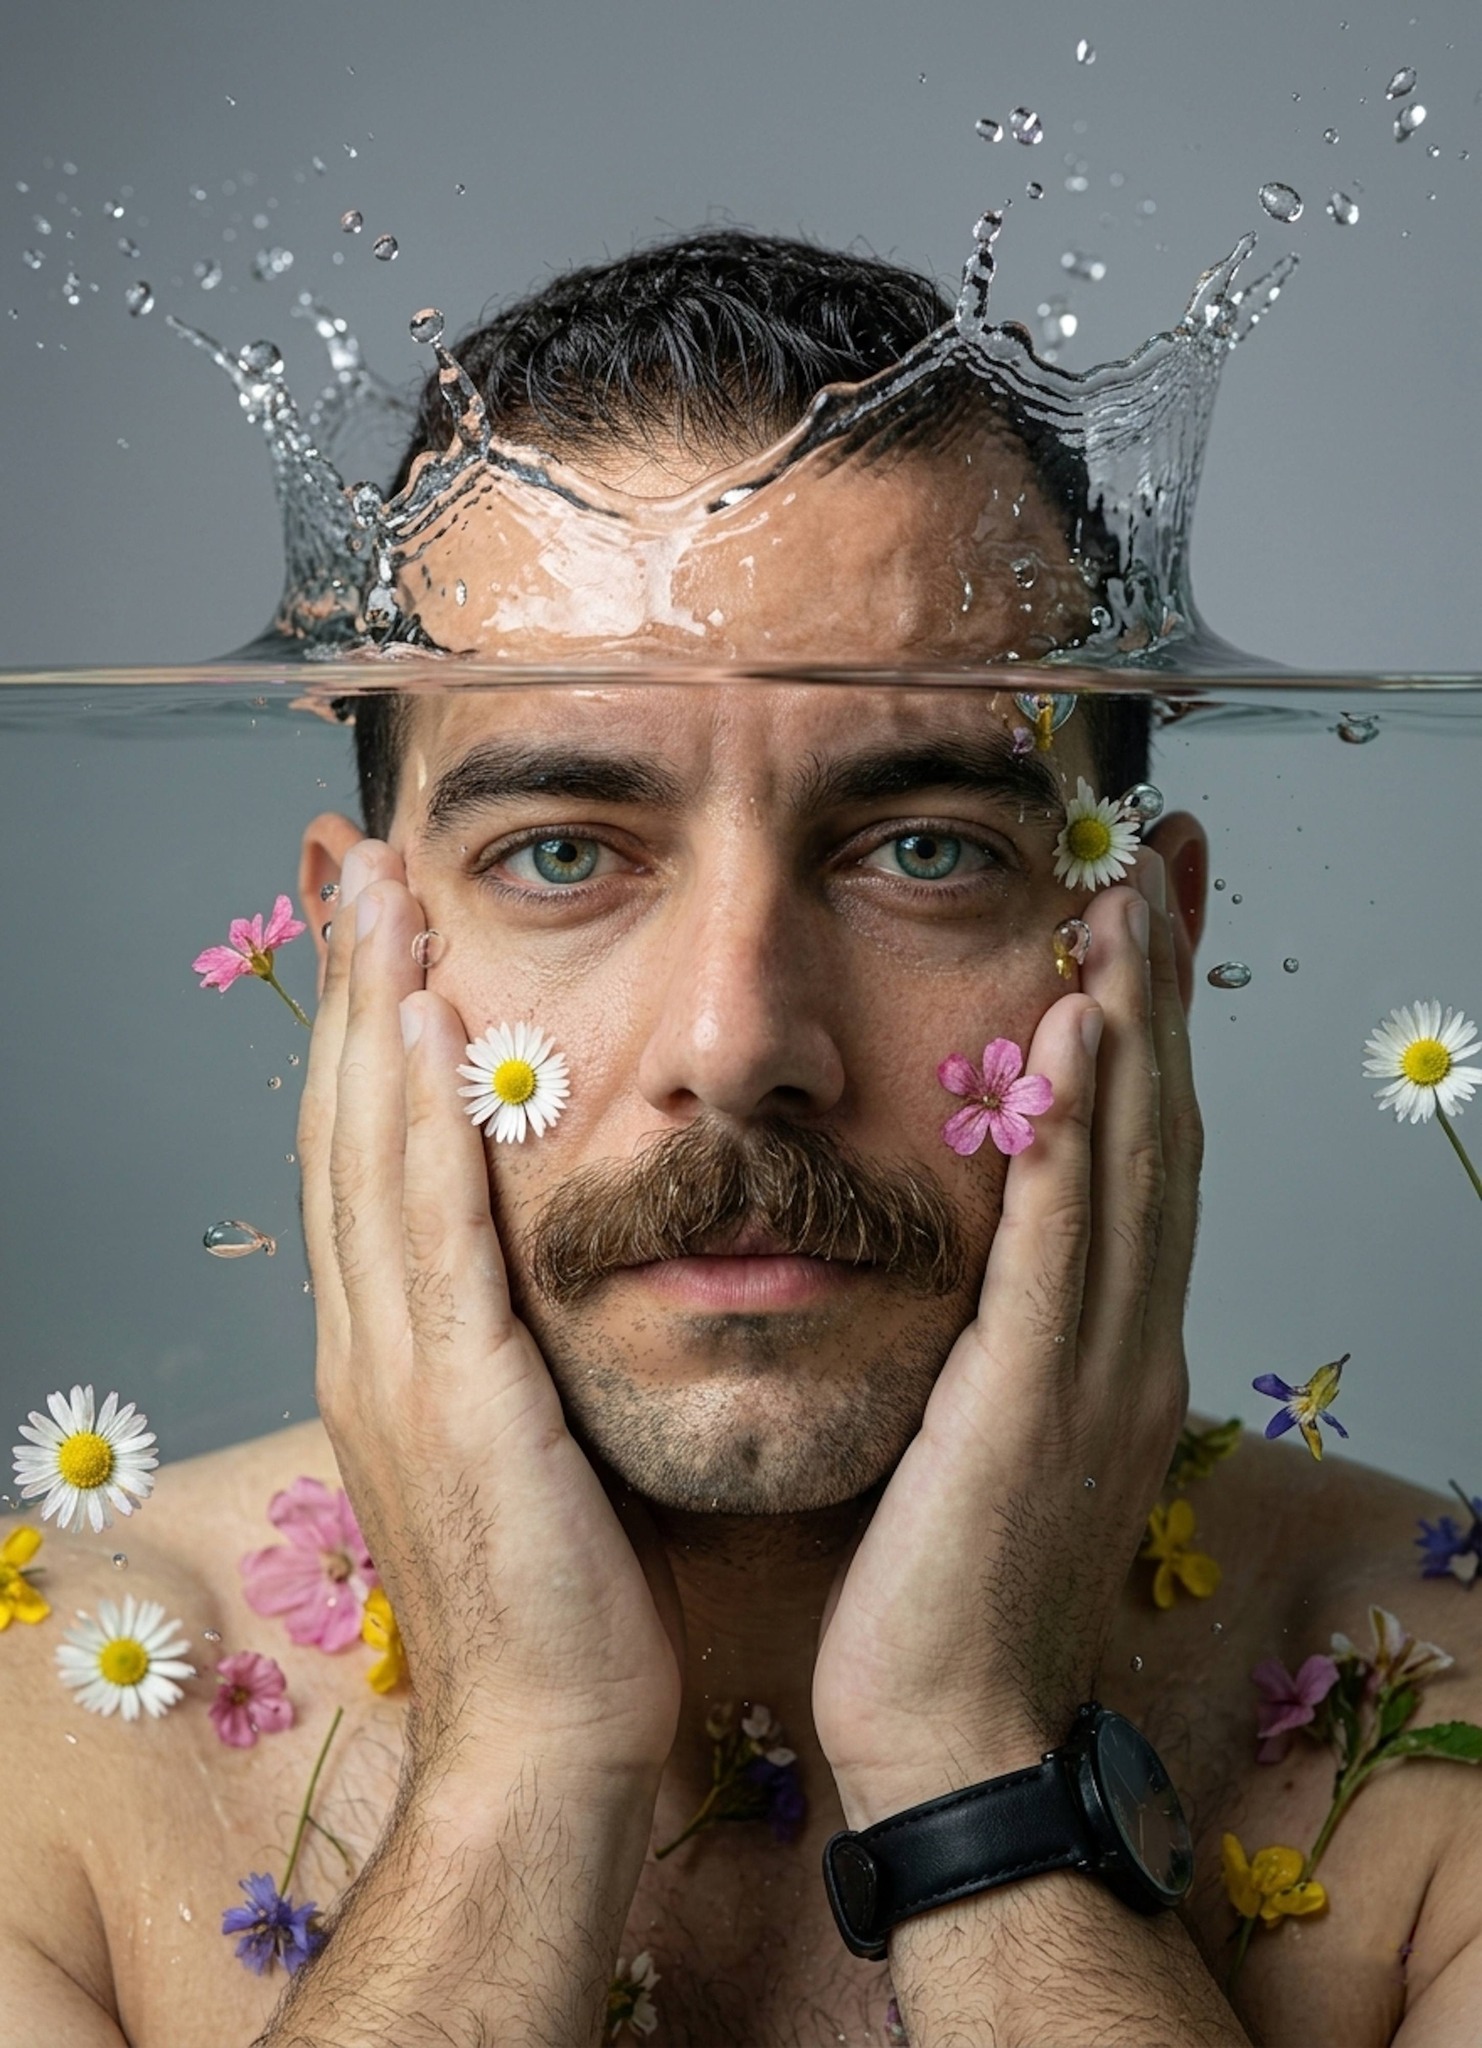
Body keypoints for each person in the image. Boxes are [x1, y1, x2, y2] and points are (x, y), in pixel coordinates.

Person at [3, 231, 1480, 2048]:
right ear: (365, 949)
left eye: (924, 848)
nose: (738, 1041)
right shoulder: (39, 1760)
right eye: (563, 851)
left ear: (1139, 936)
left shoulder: (1445, 1730)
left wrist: (977, 1761)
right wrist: (516, 1773)